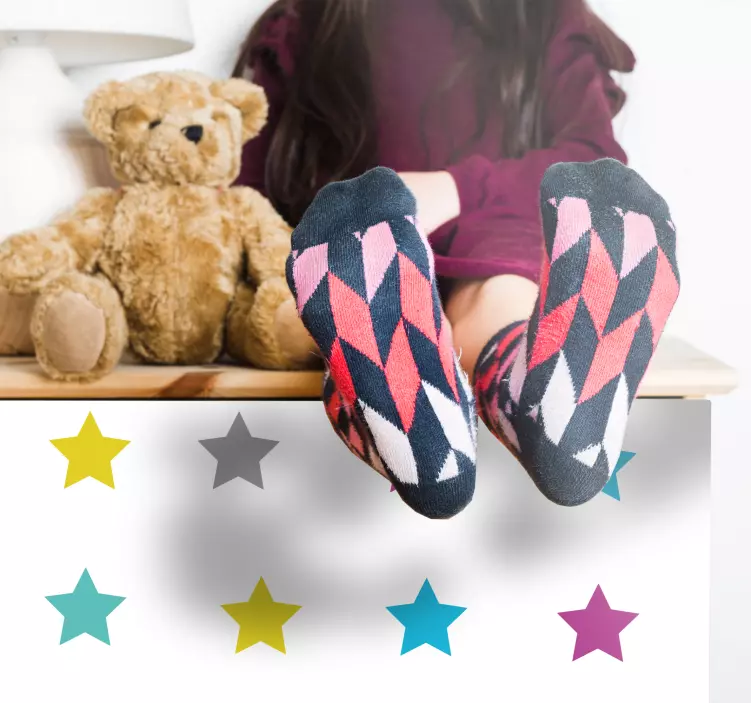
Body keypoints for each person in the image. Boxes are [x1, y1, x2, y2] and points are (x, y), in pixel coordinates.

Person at [234, 0, 680, 519]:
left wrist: (452, 189)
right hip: (362, 250)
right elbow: (248, 196)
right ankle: (536, 409)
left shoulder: (543, 15)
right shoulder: (303, 23)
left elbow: (587, 159)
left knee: (381, 303)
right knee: (484, 299)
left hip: (450, 242)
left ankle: (423, 431)